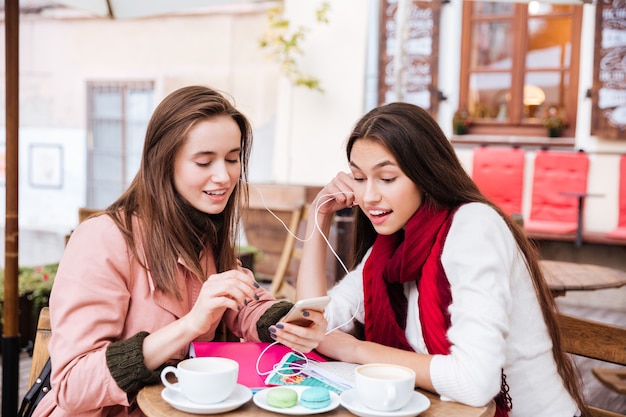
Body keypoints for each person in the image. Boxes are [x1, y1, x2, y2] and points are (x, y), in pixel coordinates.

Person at [35, 85, 327, 416]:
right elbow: (73, 386)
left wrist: (288, 321)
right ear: (163, 162)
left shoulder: (202, 232)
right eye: (204, 161)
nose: (224, 176)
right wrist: (189, 324)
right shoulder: (103, 238)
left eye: (233, 159)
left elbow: (245, 305)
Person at [296, 102, 589, 417]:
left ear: (425, 173)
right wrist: (318, 215)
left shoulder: (473, 226)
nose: (368, 197)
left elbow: (476, 383)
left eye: (387, 178)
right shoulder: (391, 246)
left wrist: (352, 349)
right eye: (358, 178)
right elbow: (312, 323)